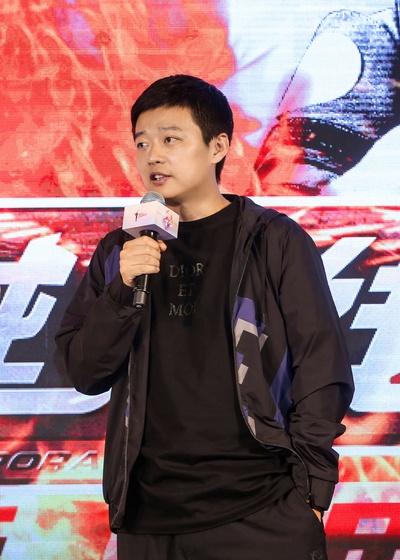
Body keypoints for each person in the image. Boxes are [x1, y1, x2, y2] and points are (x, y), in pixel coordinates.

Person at [55, 74, 354, 560]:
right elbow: (84, 372)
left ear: (218, 146)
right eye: (142, 143)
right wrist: (122, 291)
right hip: (149, 519)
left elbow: (322, 367)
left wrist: (312, 492)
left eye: (170, 139)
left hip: (260, 510)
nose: (153, 156)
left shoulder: (273, 240)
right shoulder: (120, 252)